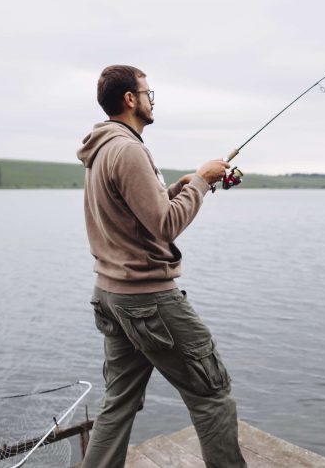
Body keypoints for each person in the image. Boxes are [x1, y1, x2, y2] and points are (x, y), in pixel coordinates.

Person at [76, 64, 247, 468]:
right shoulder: (129, 149)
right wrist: (204, 181)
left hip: (110, 295)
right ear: (130, 99)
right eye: (148, 93)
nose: (153, 101)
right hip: (147, 300)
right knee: (213, 393)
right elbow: (166, 224)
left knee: (117, 403)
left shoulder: (102, 148)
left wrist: (176, 189)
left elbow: (133, 213)